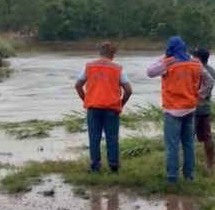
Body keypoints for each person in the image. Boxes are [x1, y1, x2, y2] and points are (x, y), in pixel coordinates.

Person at [147, 36, 215, 183]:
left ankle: (172, 178)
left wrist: (163, 56)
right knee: (188, 144)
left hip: (172, 110)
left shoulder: (168, 62)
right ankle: (189, 177)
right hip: (190, 108)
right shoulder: (195, 62)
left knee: (172, 146)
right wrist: (200, 96)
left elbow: (150, 72)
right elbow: (209, 80)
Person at [75, 41, 132, 173]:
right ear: (112, 54)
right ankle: (113, 167)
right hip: (112, 108)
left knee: (94, 138)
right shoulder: (118, 68)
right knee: (112, 138)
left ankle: (95, 167)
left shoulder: (88, 66)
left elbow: (78, 85)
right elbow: (128, 90)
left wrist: (86, 100)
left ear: (100, 53)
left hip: (93, 108)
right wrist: (120, 104)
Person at [192, 47, 215, 172]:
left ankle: (189, 166)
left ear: (199, 58)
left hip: (194, 108)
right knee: (207, 137)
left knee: (188, 138)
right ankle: (210, 166)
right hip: (206, 107)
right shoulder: (212, 70)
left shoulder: (196, 70)